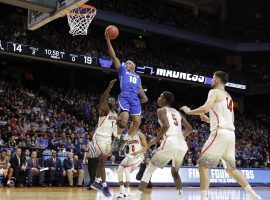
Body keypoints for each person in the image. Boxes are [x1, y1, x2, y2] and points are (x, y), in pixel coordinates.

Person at [181, 71, 262, 200]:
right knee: (231, 169)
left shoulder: (214, 92)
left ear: (218, 80)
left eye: (213, 78)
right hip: (230, 134)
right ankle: (253, 195)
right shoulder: (229, 96)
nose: (211, 80)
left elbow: (205, 108)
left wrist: (189, 111)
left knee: (202, 165)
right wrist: (209, 120)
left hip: (220, 134)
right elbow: (230, 119)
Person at [134, 91, 193, 200]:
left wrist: (155, 140)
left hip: (170, 141)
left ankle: (136, 197)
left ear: (164, 100)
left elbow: (165, 126)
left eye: (160, 96)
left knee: (149, 170)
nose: (158, 98)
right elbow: (190, 129)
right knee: (175, 172)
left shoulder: (161, 110)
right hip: (182, 145)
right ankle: (181, 197)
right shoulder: (177, 112)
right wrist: (181, 136)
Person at [105, 31, 148, 140]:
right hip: (125, 95)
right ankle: (117, 137)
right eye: (126, 63)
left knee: (137, 122)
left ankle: (125, 140)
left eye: (129, 63)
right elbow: (113, 56)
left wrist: (144, 96)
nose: (126, 64)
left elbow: (140, 89)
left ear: (133, 66)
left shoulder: (138, 77)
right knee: (124, 120)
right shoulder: (123, 70)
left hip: (135, 98)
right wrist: (108, 40)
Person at [90, 79, 118, 196]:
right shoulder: (104, 111)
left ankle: (96, 182)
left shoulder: (115, 115)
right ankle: (105, 186)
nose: (110, 100)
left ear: (115, 103)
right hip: (99, 137)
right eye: (109, 99)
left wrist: (116, 143)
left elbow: (115, 132)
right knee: (102, 161)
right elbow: (102, 99)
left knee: (102, 162)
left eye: (112, 99)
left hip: (107, 139)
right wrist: (109, 87)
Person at [117, 123, 147, 198]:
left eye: (134, 125)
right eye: (132, 126)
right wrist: (120, 143)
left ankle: (128, 191)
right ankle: (122, 190)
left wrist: (138, 152)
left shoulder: (140, 134)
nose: (133, 127)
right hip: (130, 156)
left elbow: (146, 147)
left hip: (139, 156)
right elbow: (120, 148)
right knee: (119, 170)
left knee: (127, 169)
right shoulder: (127, 136)